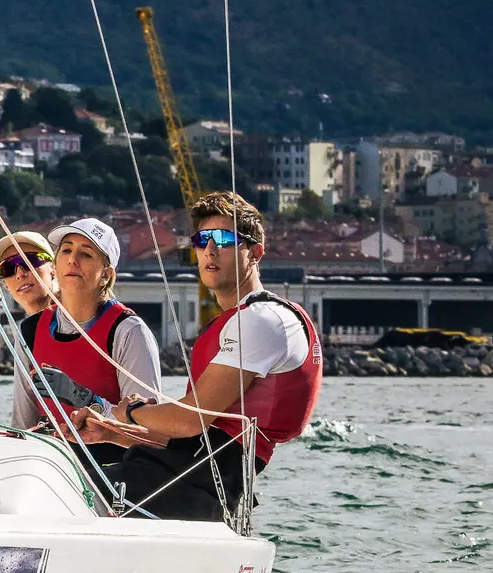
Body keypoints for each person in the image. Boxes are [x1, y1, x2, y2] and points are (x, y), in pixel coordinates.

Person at [74, 191, 323, 522]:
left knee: (61, 489)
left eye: (225, 239)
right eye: (202, 240)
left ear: (255, 253)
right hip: (185, 478)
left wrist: (131, 412)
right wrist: (111, 433)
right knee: (62, 470)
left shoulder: (262, 319)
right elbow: (192, 438)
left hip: (200, 487)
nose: (210, 250)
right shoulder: (240, 320)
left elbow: (190, 421)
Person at [10, 218, 162, 438]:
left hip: (110, 457)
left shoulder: (128, 331)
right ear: (55, 266)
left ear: (106, 275)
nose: (72, 260)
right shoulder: (29, 331)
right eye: (66, 250)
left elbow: (146, 430)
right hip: (51, 456)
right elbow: (22, 426)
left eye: (86, 254)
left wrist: (85, 399)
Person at [0, 230, 57, 318]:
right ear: (5, 284)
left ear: (54, 268)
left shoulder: (72, 319)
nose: (20, 274)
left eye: (30, 261)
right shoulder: (31, 326)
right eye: (8, 268)